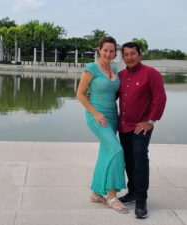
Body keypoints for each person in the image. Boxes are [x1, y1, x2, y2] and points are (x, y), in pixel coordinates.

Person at [76, 36, 128, 214]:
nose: (108, 53)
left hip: (113, 117)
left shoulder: (114, 69)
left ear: (115, 53)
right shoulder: (91, 68)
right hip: (96, 116)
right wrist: (95, 112)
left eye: (112, 51)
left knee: (105, 153)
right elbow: (80, 94)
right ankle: (112, 196)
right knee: (116, 149)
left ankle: (96, 193)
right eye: (105, 50)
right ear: (99, 50)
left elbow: (116, 93)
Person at [117, 42, 167, 218]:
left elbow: (160, 98)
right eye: (126, 54)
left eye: (133, 54)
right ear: (122, 57)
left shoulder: (151, 74)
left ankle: (141, 198)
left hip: (141, 126)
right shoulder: (121, 75)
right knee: (129, 159)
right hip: (123, 125)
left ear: (140, 54)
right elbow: (112, 94)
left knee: (139, 156)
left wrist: (151, 121)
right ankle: (131, 192)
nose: (129, 57)